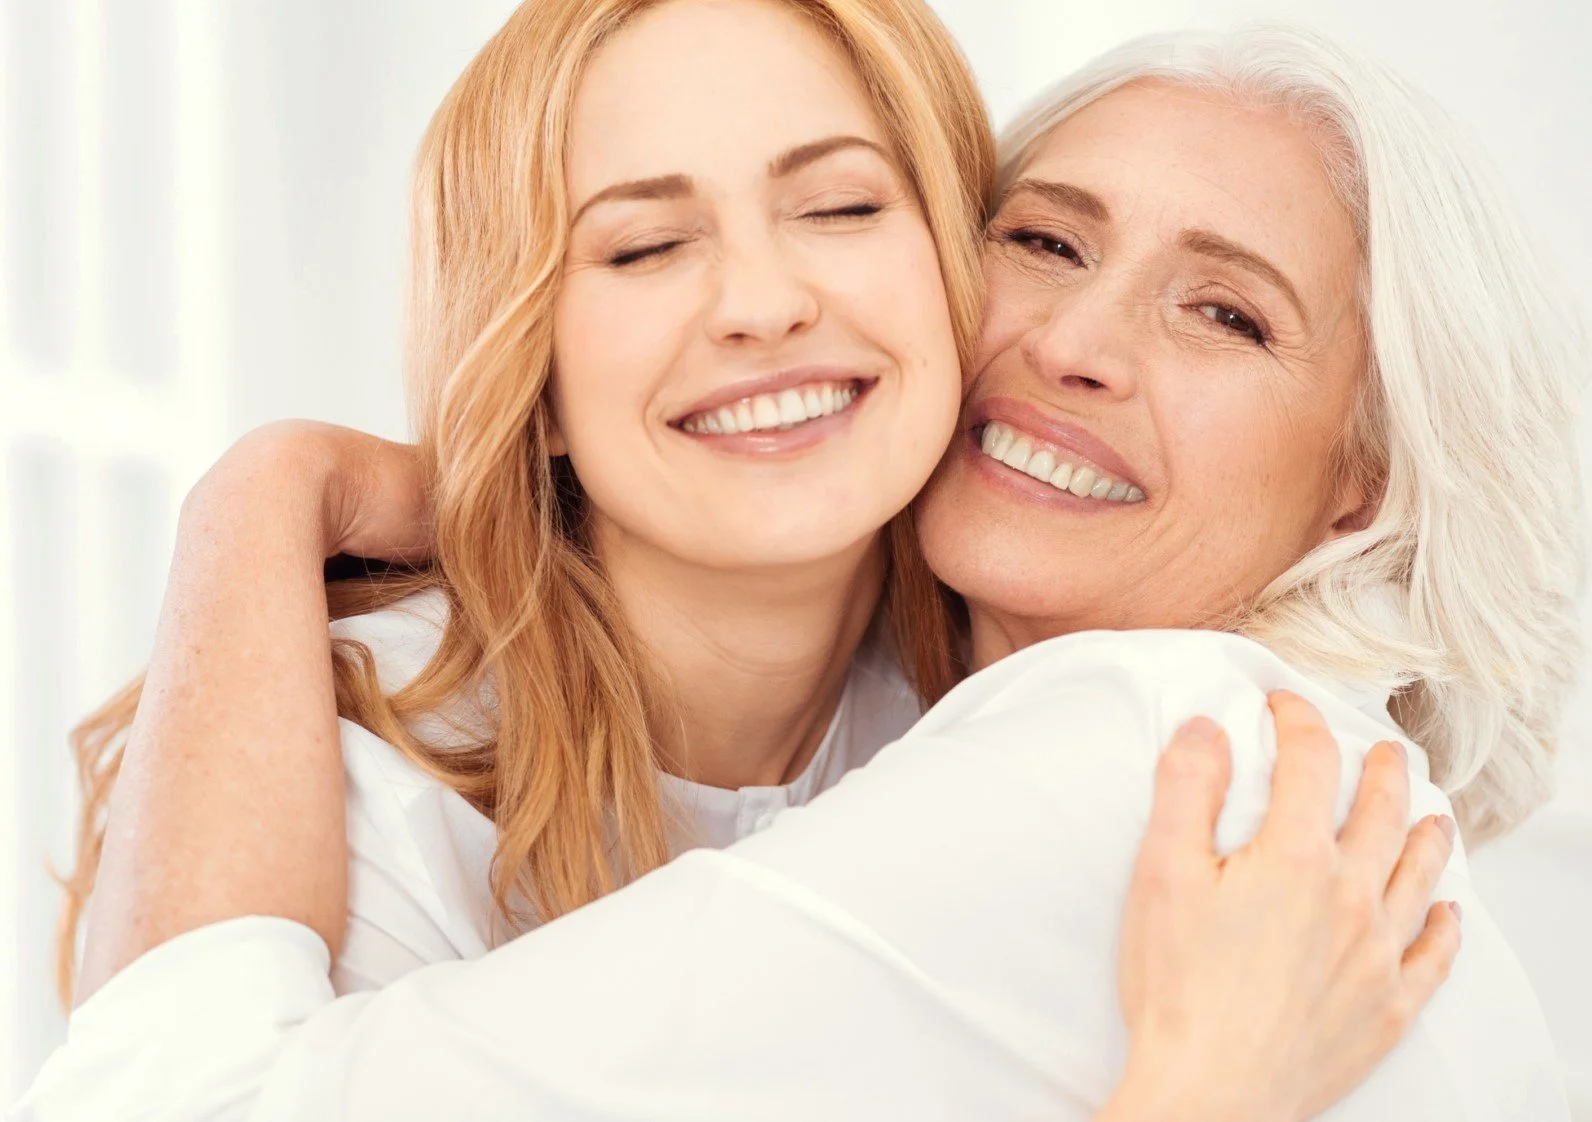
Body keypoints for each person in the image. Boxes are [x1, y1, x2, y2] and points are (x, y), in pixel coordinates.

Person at [21, 9, 1584, 1122]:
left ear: (1362, 484)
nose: (1076, 345)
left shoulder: (1154, 749)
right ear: (528, 357)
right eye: (1043, 241)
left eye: (840, 205)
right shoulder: (364, 799)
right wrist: (261, 491)